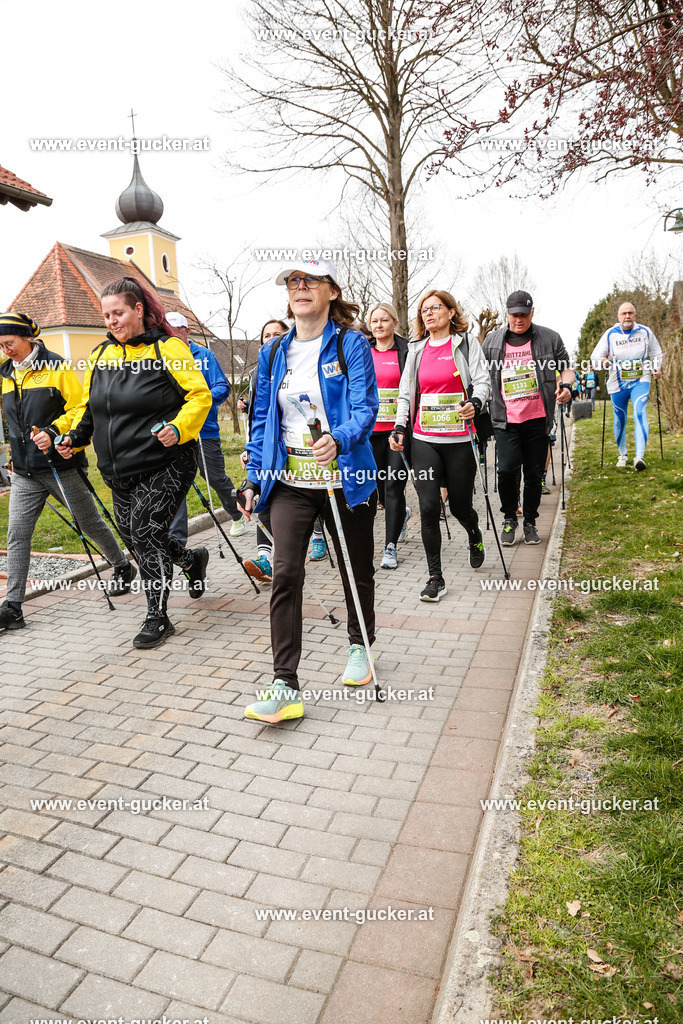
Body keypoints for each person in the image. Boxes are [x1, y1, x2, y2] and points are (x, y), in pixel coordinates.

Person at [239, 258, 378, 723]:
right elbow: (262, 419)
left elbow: (366, 407)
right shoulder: (274, 351)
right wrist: (255, 476)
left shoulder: (351, 344)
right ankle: (285, 684)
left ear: (331, 292)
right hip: (292, 482)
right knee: (285, 573)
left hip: (344, 477)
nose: (300, 288)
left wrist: (339, 437)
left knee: (355, 568)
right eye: (293, 282)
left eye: (310, 281)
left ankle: (360, 644)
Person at [55, 277, 212, 649]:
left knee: (144, 533)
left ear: (138, 310)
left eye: (118, 313)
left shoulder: (167, 348)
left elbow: (199, 396)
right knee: (139, 538)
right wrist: (73, 438)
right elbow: (89, 411)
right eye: (106, 315)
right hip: (117, 470)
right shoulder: (99, 356)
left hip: (166, 461)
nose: (111, 321)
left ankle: (157, 615)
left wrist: (178, 427)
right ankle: (190, 560)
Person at [0, 312, 135, 631]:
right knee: (17, 534)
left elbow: (80, 408)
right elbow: (9, 419)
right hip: (24, 471)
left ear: (27, 339)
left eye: (10, 343)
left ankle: (121, 566)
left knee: (89, 522)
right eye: (1, 345)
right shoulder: (4, 373)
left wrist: (54, 430)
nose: (6, 350)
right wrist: (11, 452)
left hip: (59, 463)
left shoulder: (56, 366)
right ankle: (13, 606)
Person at [390, 288, 490, 602]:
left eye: (436, 308)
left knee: (459, 505)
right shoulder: (416, 349)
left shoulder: (466, 342)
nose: (429, 313)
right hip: (425, 439)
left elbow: (484, 380)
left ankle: (474, 533)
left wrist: (475, 402)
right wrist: (399, 426)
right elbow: (406, 394)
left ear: (450, 311)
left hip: (459, 439)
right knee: (429, 506)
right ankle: (436, 577)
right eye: (424, 310)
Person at [482, 290, 574, 546]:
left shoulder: (549, 338)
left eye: (524, 314)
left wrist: (566, 387)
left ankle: (530, 522)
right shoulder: (491, 341)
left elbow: (567, 367)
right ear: (507, 314)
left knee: (534, 474)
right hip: (505, 420)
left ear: (532, 313)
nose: (519, 320)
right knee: (507, 469)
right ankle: (510, 517)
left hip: (537, 418)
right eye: (514, 315)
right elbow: (479, 375)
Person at [165, 312, 245, 550]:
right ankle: (177, 541)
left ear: (187, 331)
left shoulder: (205, 355)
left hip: (205, 429)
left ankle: (237, 512)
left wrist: (201, 401)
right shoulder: (164, 357)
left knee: (214, 477)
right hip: (176, 431)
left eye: (176, 329)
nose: (171, 334)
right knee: (176, 482)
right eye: (167, 329)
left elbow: (222, 386)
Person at [238, 319, 289, 583]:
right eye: (266, 335)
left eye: (277, 334)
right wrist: (252, 450)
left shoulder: (295, 364)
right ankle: (265, 559)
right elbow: (257, 417)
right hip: (267, 449)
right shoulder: (257, 372)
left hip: (296, 448)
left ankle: (317, 537)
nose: (271, 339)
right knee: (265, 498)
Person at [590, 301, 663, 471]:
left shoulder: (645, 332)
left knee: (639, 411)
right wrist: (604, 362)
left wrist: (656, 367)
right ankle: (623, 454)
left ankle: (639, 457)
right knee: (620, 419)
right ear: (618, 317)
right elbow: (595, 357)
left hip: (640, 379)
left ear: (635, 315)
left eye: (630, 313)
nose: (627, 316)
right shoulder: (610, 334)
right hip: (618, 382)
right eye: (624, 313)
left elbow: (656, 352)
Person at [367, 301, 411, 569]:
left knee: (394, 486)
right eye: (375, 321)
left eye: (384, 320)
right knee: (379, 490)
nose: (379, 325)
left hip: (397, 433)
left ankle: (390, 547)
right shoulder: (363, 350)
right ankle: (402, 515)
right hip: (370, 433)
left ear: (395, 322)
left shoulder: (407, 350)